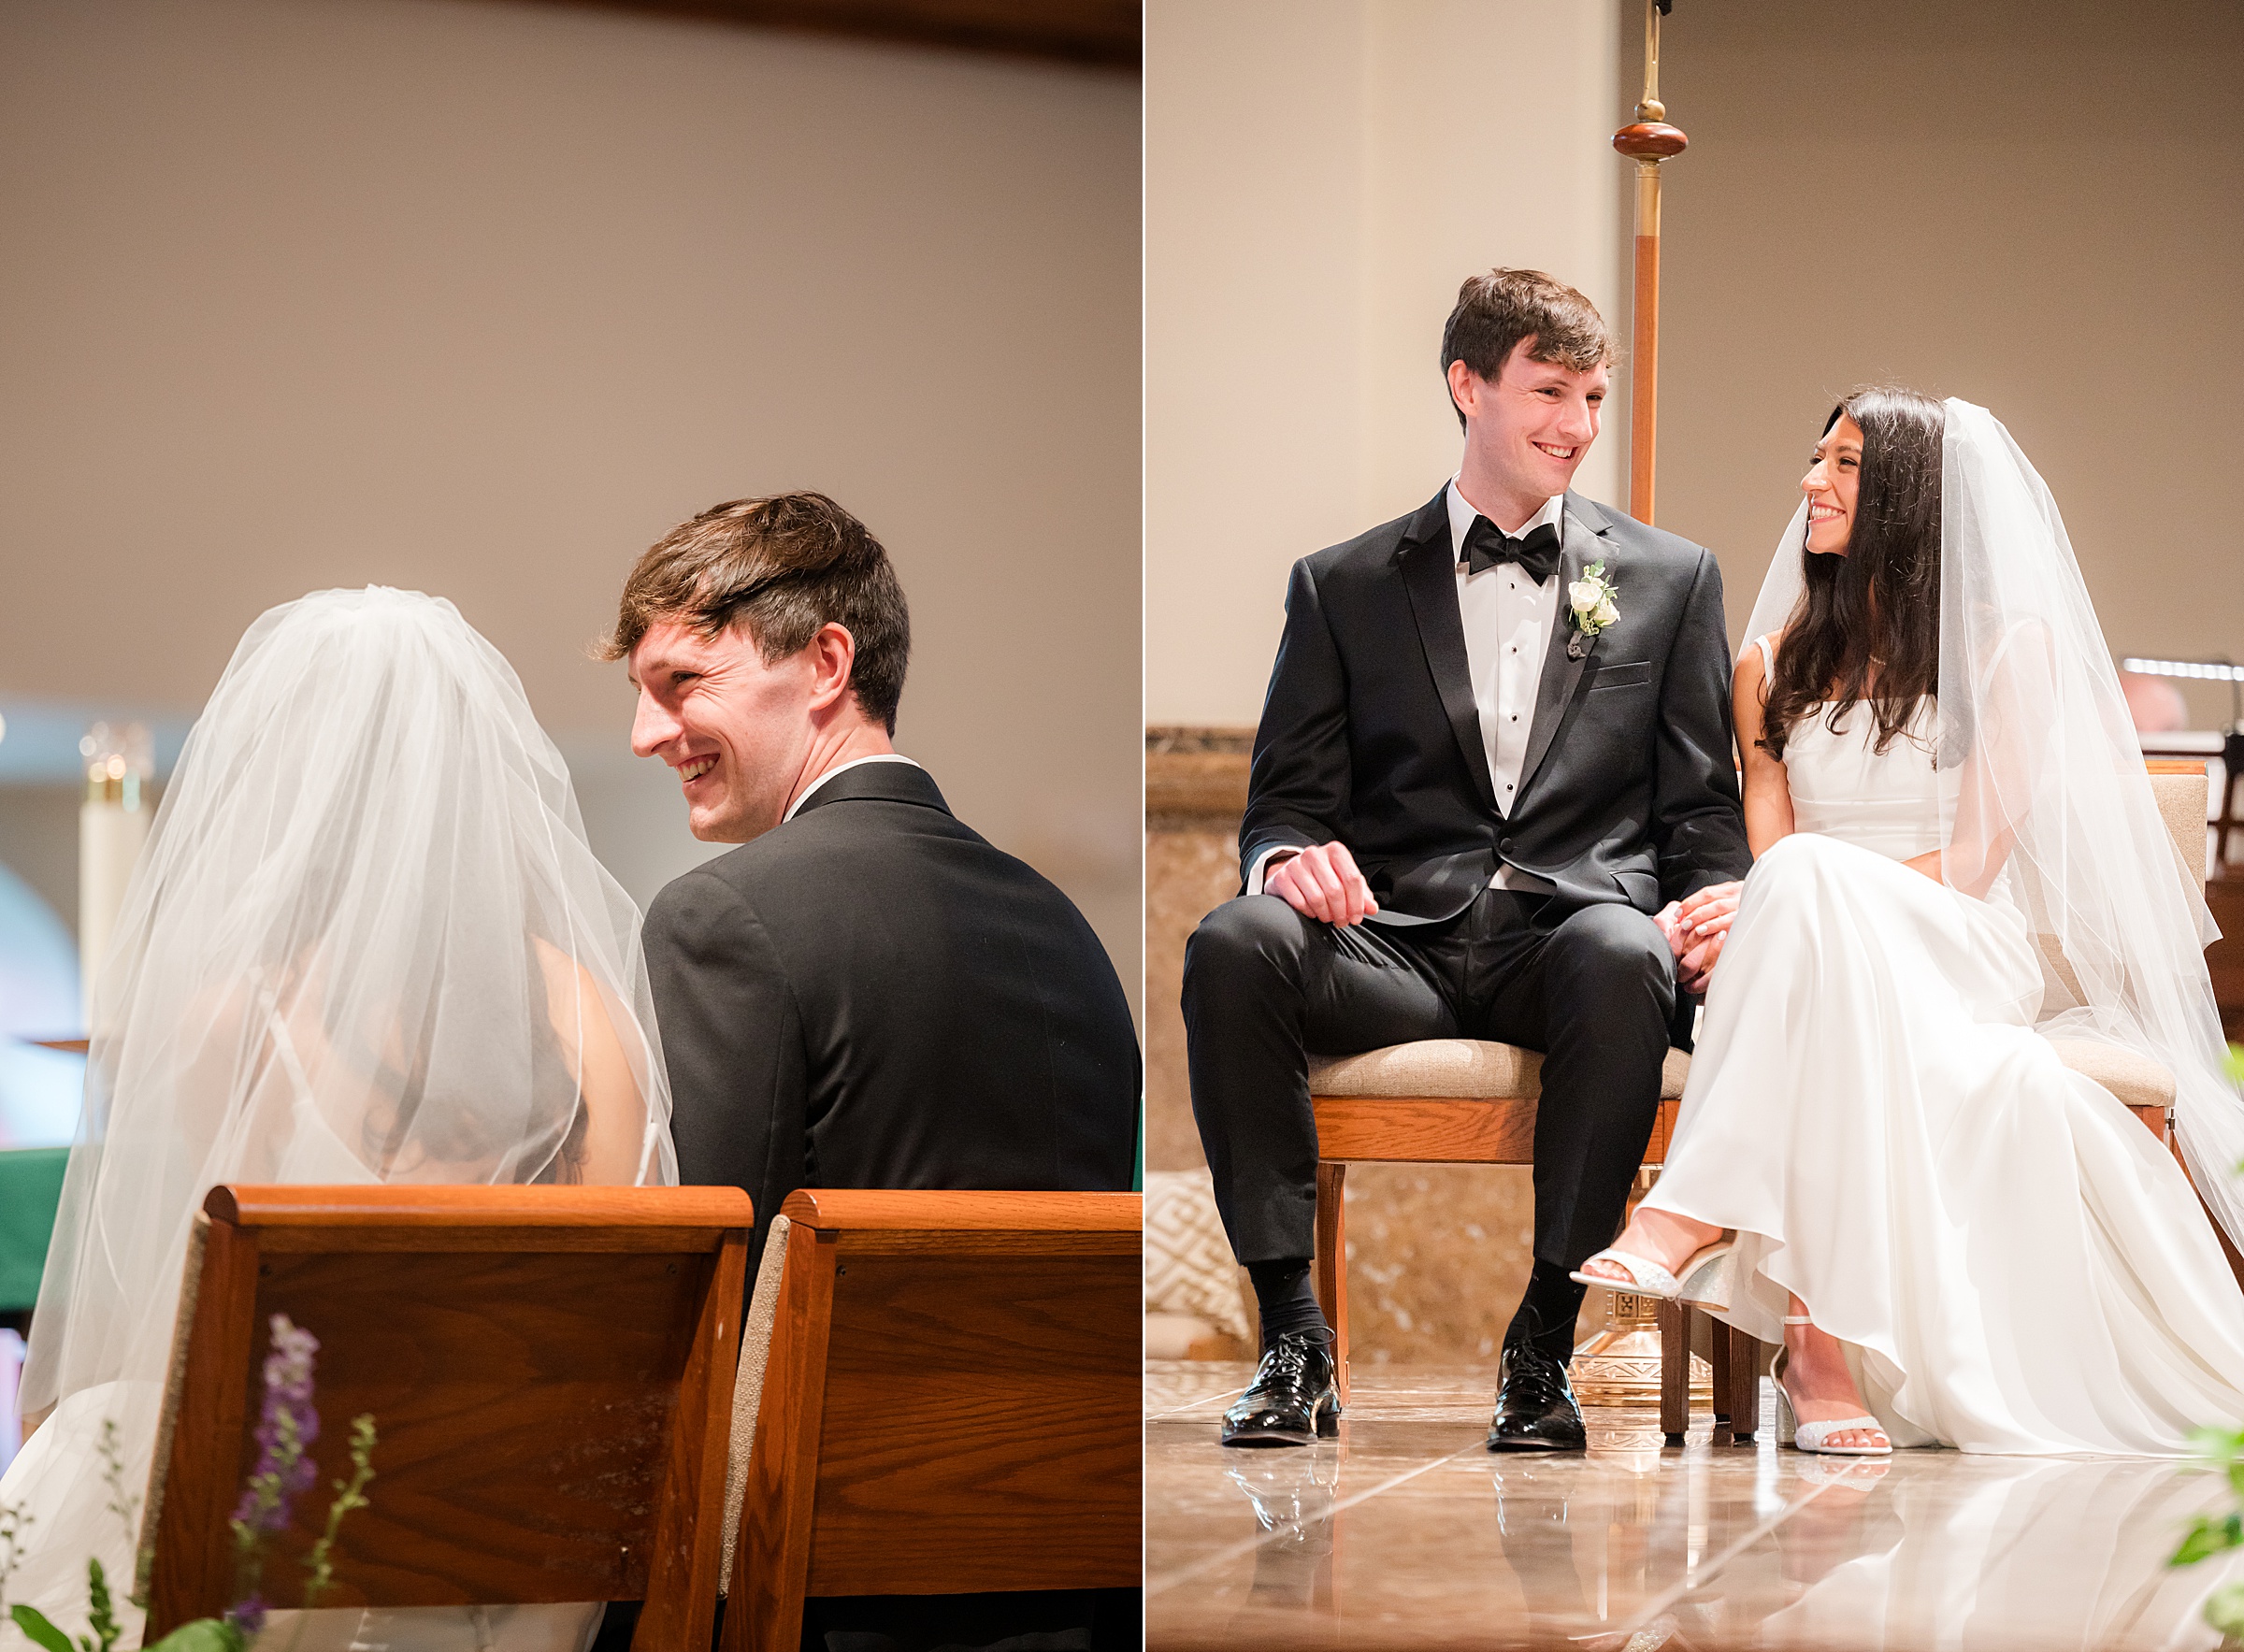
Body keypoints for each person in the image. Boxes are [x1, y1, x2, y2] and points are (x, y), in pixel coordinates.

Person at [0, 587, 676, 1652]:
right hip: (528, 1566)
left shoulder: (238, 1016)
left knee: (84, 1438)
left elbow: (184, 1324)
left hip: (303, 1556)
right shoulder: (594, 1014)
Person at [1580, 391, 2244, 1456]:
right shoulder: (1768, 664)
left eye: (1842, 466)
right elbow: (1771, 850)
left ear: (1906, 498)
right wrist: (1778, 895)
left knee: (1801, 889)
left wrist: (1787, 889)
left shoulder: (2003, 653)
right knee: (1807, 925)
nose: (1811, 483)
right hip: (1814, 942)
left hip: (1958, 941)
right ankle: (1819, 1346)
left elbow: (1976, 858)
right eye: (1816, 458)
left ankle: (1694, 1218)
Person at [1183, 269, 1751, 1453]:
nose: (1578, 424)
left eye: (1594, 396)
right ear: (1467, 385)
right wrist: (1287, 864)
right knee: (1234, 943)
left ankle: (1543, 1343)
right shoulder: (1341, 586)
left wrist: (1717, 904)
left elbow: (1698, 808)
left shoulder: (1668, 579)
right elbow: (1283, 803)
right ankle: (1294, 1335)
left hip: (1572, 947)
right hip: (1397, 945)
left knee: (1619, 946)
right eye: (1550, 390)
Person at [600, 492, 1140, 1648]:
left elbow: (709, 1300)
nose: (647, 734)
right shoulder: (1066, 932)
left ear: (826, 661)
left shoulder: (724, 917)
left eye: (681, 682)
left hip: (822, 1602)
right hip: (1071, 1590)